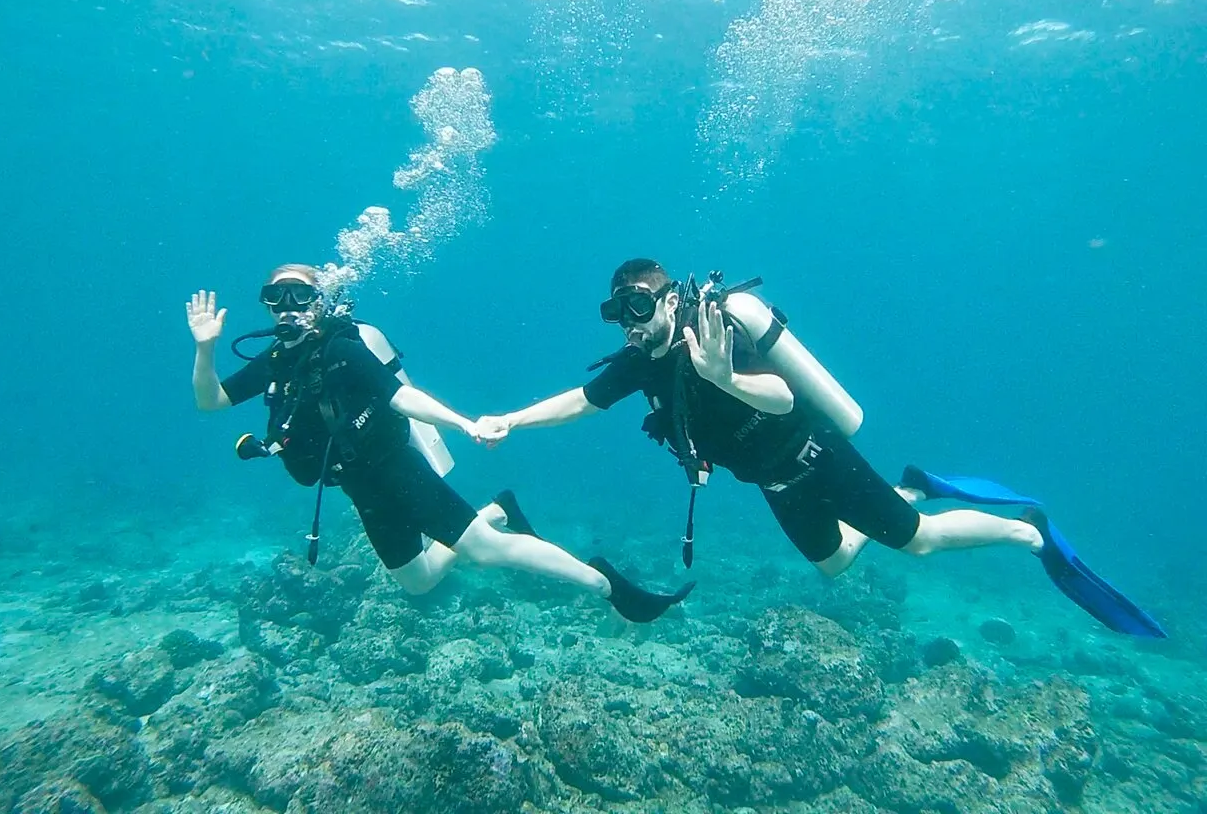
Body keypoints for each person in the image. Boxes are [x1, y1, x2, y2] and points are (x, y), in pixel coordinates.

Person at [475, 258, 1165, 638]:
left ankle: (1027, 531)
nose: (627, 325)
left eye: (636, 307)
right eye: (616, 313)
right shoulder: (640, 362)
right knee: (834, 564)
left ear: (665, 300)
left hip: (816, 456)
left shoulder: (713, 333)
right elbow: (580, 400)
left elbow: (783, 398)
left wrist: (720, 375)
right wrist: (511, 419)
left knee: (919, 543)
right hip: (773, 483)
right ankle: (910, 487)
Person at [186, 263, 693, 623]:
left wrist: (464, 424)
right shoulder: (275, 362)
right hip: (359, 487)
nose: (286, 309)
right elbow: (211, 401)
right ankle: (496, 510)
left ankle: (605, 585)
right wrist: (205, 348)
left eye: (299, 296)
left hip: (397, 470)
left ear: (319, 303)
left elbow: (402, 397)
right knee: (418, 582)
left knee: (488, 552)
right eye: (275, 297)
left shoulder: (343, 350)